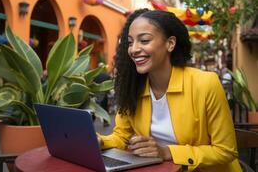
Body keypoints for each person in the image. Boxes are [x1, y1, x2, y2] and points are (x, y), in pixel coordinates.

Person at [98, 9, 241, 171]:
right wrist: (99, 141)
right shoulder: (133, 88)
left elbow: (226, 150)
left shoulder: (205, 83)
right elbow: (121, 137)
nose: (133, 49)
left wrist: (167, 152)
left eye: (144, 40)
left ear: (170, 44)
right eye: (130, 43)